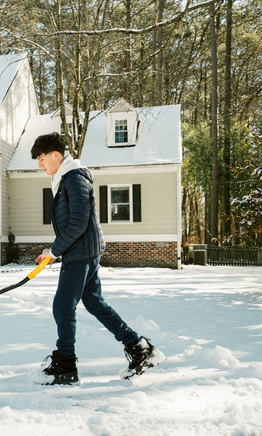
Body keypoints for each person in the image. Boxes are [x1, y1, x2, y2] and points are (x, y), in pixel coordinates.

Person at [31, 132, 163, 385]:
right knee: (94, 303)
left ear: (56, 155)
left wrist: (54, 251)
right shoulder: (63, 178)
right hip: (82, 251)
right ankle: (140, 349)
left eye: (41, 158)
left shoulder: (74, 179)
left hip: (80, 252)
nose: (39, 164)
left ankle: (65, 365)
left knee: (62, 306)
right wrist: (56, 250)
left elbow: (79, 222)